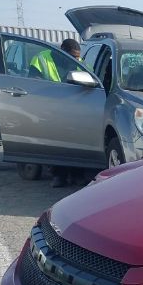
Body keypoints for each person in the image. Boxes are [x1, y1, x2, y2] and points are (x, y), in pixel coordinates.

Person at [49, 39, 85, 187]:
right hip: (52, 108)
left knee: (77, 143)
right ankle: (59, 176)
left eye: (77, 56)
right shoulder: (44, 59)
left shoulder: (81, 62)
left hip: (74, 109)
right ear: (62, 51)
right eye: (73, 56)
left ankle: (77, 175)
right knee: (58, 144)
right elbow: (35, 81)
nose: (76, 59)